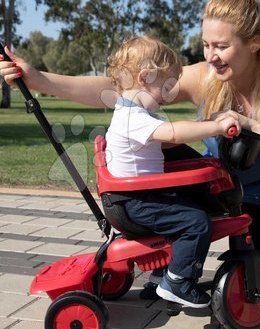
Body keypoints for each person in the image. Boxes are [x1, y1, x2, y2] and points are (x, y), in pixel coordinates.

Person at [0, 0, 260, 318]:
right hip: (221, 190)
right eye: (207, 45)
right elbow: (120, 90)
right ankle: (167, 259)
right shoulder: (204, 77)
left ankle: (183, 252)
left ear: (255, 43)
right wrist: (38, 79)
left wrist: (257, 130)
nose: (211, 56)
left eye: (222, 46)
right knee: (159, 147)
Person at [103, 35, 240, 307]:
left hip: (132, 199)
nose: (169, 95)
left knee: (182, 207)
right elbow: (174, 133)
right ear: (145, 78)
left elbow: (167, 137)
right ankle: (177, 281)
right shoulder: (134, 118)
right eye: (166, 86)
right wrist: (215, 127)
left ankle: (159, 274)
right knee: (196, 222)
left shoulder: (127, 113)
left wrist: (204, 123)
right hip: (137, 203)